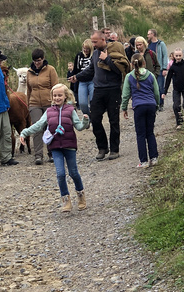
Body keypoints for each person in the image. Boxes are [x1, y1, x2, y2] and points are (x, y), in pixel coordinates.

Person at [19, 84, 89, 213]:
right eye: (55, 95)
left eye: (60, 95)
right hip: (55, 147)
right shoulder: (49, 112)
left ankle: (80, 195)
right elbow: (39, 125)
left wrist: (85, 122)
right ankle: (66, 200)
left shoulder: (70, 110)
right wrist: (24, 132)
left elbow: (79, 126)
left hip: (69, 147)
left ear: (65, 96)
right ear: (51, 97)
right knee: (60, 174)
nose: (57, 98)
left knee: (73, 172)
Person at [70, 30, 130, 161]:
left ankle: (114, 149)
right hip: (99, 90)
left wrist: (107, 59)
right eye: (92, 42)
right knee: (95, 119)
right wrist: (77, 77)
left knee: (114, 120)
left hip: (113, 90)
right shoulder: (95, 53)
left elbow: (119, 70)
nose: (93, 44)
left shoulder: (114, 50)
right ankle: (102, 147)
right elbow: (91, 70)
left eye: (95, 42)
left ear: (103, 40)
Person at [121, 53, 160, 168]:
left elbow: (125, 94)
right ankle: (154, 158)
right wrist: (156, 105)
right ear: (144, 63)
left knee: (141, 134)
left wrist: (124, 108)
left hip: (139, 106)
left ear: (132, 64)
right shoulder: (151, 75)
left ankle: (143, 161)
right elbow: (156, 92)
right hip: (151, 105)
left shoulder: (129, 76)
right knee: (150, 132)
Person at [26, 48, 59, 165]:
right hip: (34, 103)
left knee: (50, 127)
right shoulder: (29, 72)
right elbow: (29, 90)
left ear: (43, 59)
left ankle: (52, 152)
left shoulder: (50, 70)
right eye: (35, 61)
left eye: (39, 60)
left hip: (49, 102)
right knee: (37, 128)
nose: (37, 63)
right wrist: (28, 104)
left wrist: (56, 102)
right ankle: (38, 155)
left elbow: (56, 87)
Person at [72, 39, 94, 127]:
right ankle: (87, 117)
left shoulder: (94, 55)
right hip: (82, 81)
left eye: (87, 49)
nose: (85, 50)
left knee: (93, 101)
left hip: (92, 81)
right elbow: (75, 69)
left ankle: (93, 118)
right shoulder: (79, 56)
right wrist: (74, 78)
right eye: (84, 48)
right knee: (82, 103)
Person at [147, 28, 169, 111]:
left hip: (159, 68)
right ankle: (154, 103)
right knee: (151, 87)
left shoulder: (161, 44)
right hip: (150, 69)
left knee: (160, 86)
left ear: (153, 34)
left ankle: (161, 103)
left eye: (149, 34)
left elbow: (164, 56)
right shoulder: (148, 44)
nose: (147, 36)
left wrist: (164, 68)